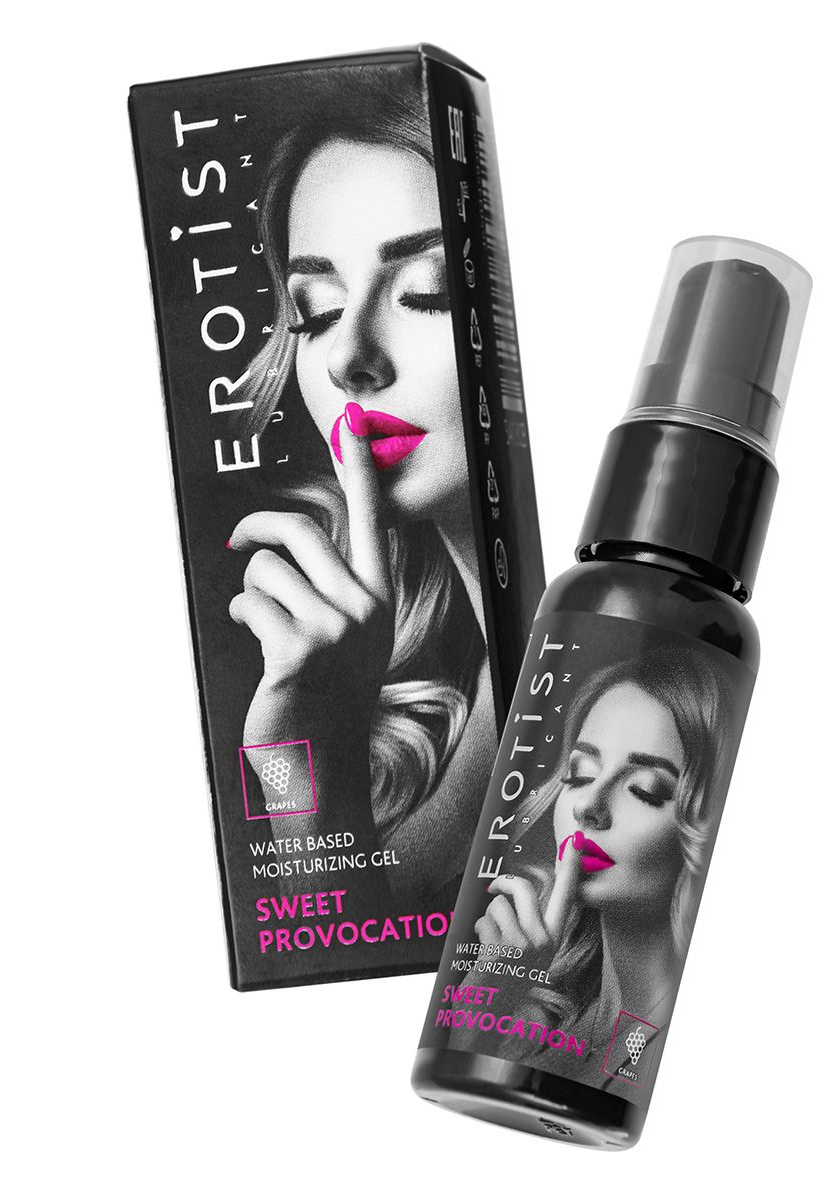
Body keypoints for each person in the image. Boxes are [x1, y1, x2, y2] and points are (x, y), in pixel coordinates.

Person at [226, 75, 494, 909]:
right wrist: (297, 764)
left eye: (427, 293)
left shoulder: (601, 682)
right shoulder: (385, 682)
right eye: (316, 311)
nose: (348, 359)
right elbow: (320, 932)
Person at [469, 648, 731, 1071]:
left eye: (645, 790)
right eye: (581, 775)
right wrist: (482, 1002)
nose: (588, 805)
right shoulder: (533, 1020)